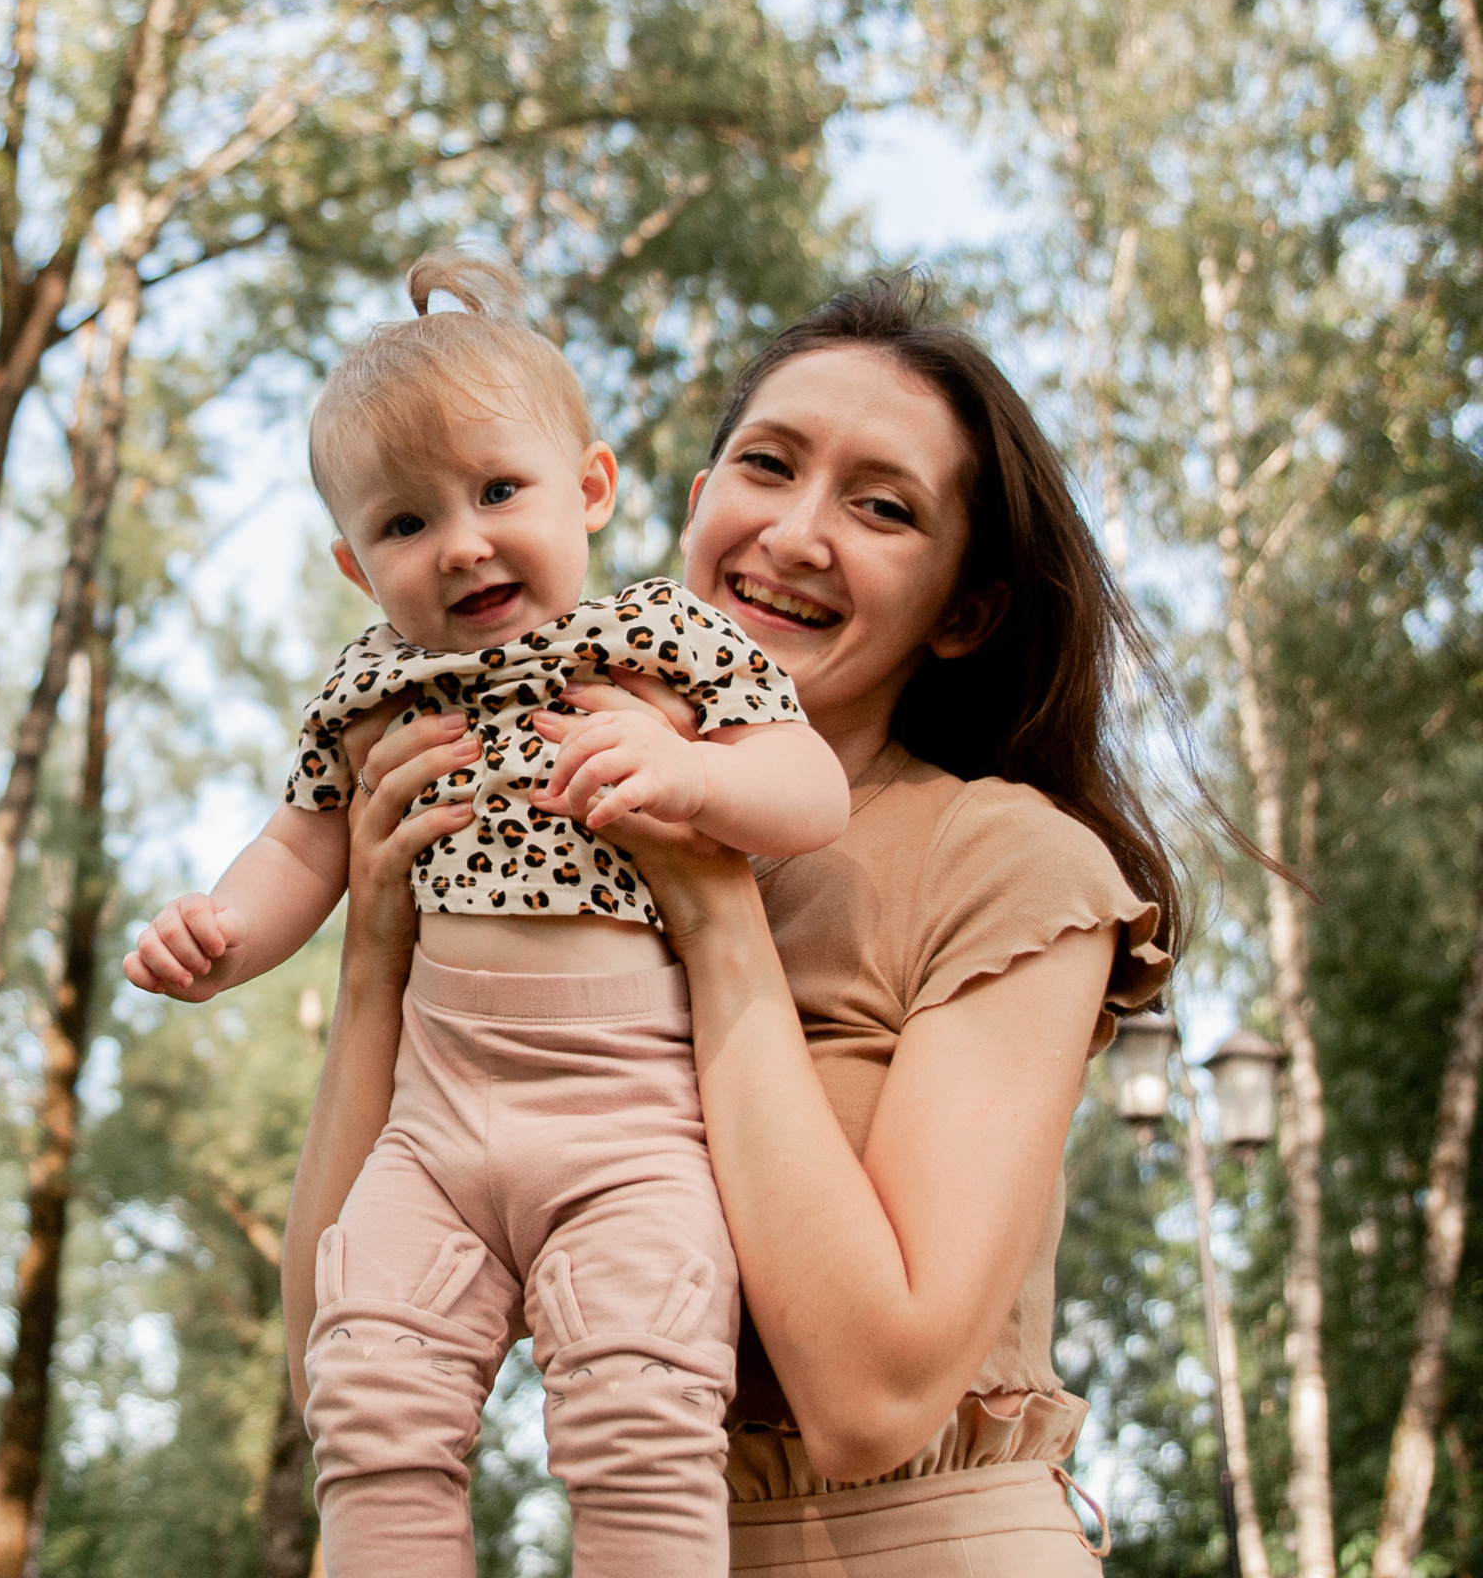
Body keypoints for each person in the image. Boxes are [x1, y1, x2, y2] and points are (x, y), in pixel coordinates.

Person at [288, 275, 1178, 1577]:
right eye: (768, 466)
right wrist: (374, 958)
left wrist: (708, 898)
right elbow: (333, 1346)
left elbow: (872, 1399)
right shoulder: (534, 830)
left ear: (965, 609)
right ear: (699, 507)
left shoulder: (1007, 859)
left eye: (883, 507)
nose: (800, 533)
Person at [126, 246, 850, 1576]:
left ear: (590, 489)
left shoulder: (666, 644)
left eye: (498, 492)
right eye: (405, 525)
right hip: (436, 1130)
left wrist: (695, 773)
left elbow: (809, 786)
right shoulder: (373, 691)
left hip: (630, 1128)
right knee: (370, 1399)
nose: (459, 543)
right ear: (356, 565)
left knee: (641, 1410)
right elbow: (303, 847)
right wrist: (220, 933)